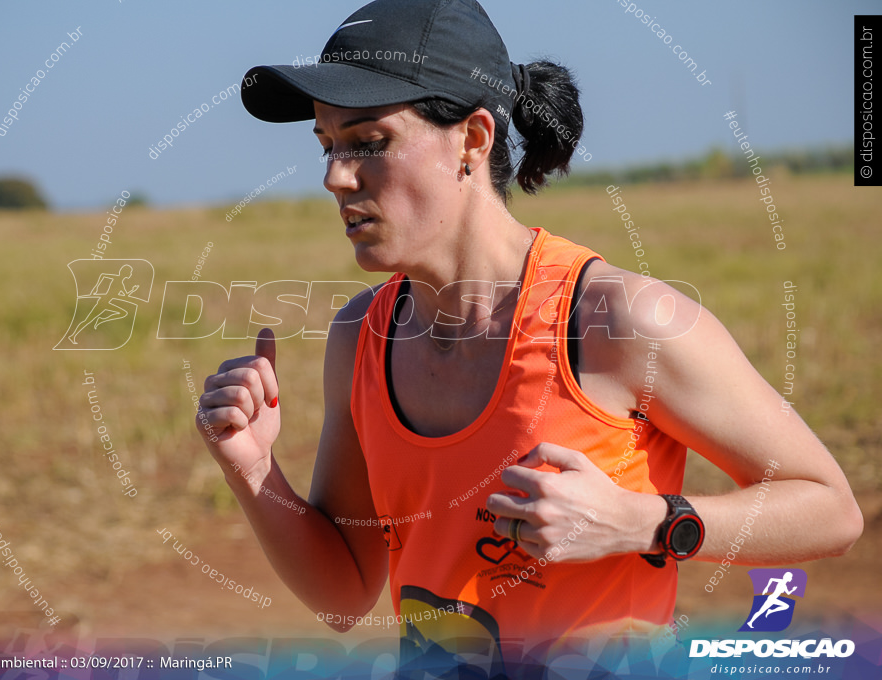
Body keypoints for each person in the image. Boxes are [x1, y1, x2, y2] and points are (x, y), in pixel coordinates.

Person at [197, 0, 862, 676]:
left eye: (368, 141)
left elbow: (831, 510)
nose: (336, 176)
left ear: (473, 140)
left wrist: (646, 524)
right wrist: (252, 470)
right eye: (327, 145)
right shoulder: (360, 336)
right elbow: (343, 593)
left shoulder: (618, 322)